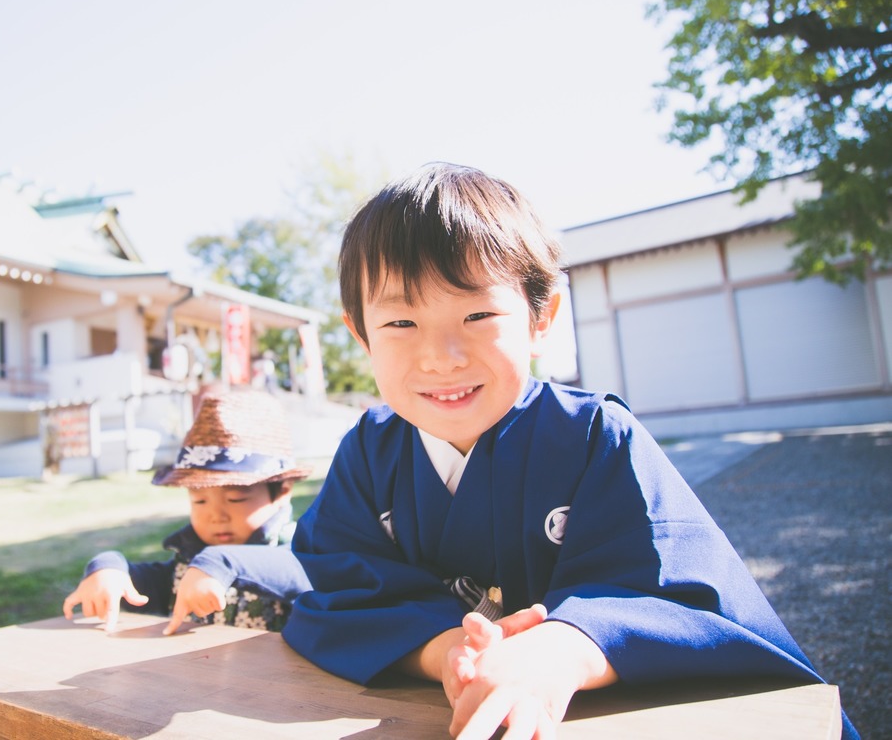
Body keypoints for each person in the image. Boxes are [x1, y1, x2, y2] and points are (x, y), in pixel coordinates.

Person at [280, 163, 858, 739]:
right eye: (401, 322)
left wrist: (557, 653)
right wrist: (449, 651)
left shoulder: (594, 435)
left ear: (541, 318)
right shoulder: (368, 451)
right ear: (361, 335)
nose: (440, 357)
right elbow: (337, 589)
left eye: (478, 315)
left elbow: (682, 595)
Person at [63, 389, 312, 635]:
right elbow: (139, 587)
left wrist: (221, 562)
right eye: (200, 501)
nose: (216, 516)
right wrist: (108, 569)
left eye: (235, 499)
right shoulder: (187, 565)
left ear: (282, 491)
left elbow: (296, 572)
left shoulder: (301, 553)